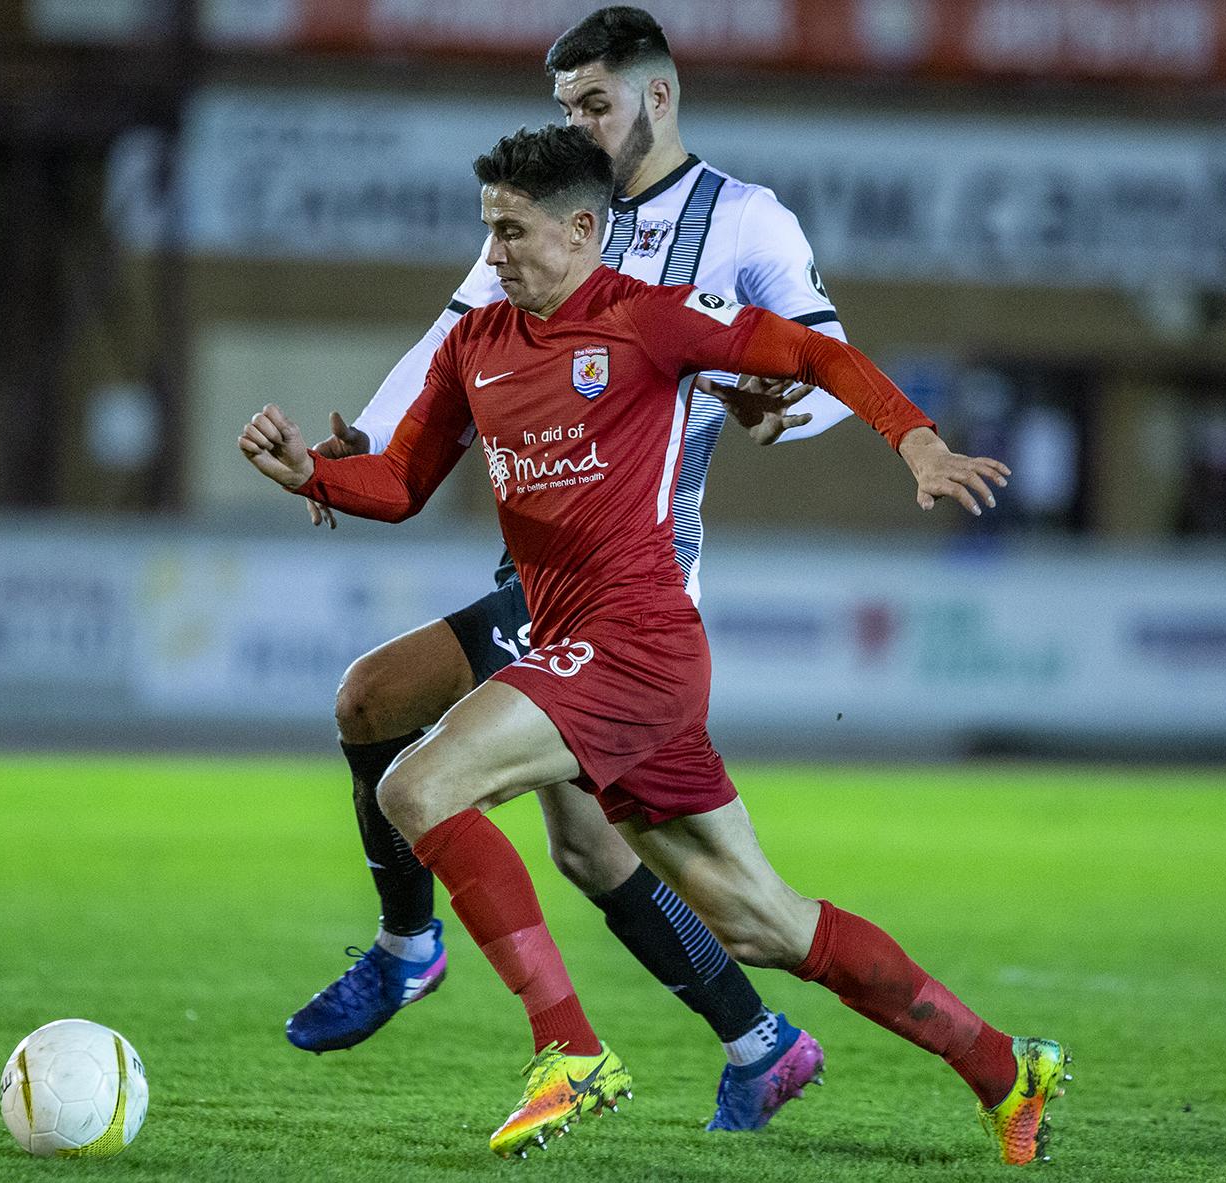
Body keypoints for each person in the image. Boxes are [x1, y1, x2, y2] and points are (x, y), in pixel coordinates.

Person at [241, 123, 1066, 1165]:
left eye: (513, 232)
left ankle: (568, 1050)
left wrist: (917, 439)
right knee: (766, 922)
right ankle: (1004, 1064)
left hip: (636, 643)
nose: (492, 255)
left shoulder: (650, 321)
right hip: (581, 649)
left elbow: (808, 349)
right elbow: (401, 484)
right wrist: (309, 474)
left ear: (584, 229)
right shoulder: (475, 343)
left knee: (416, 788)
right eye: (488, 230)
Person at [285, 7, 858, 1133]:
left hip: (633, 588)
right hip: (542, 570)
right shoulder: (542, 218)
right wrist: (360, 445)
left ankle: (413, 950)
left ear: (656, 97)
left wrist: (768, 410)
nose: (578, 126)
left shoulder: (742, 220)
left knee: (372, 699)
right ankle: (762, 1041)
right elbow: (456, 326)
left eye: (594, 104)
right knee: (589, 846)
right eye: (564, 109)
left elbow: (828, 365)